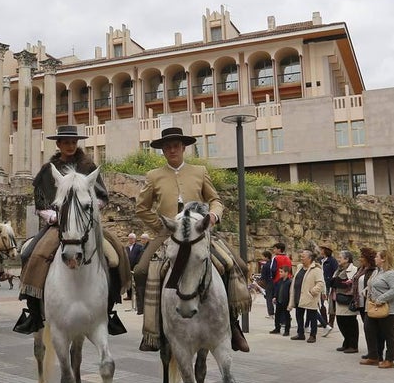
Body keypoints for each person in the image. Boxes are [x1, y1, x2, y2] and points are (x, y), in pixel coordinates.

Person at [133, 126, 249, 353]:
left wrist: (213, 215)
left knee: (237, 265)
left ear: (183, 148)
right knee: (142, 270)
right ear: (163, 151)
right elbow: (141, 208)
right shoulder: (153, 175)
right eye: (167, 147)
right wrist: (161, 227)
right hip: (169, 233)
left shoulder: (199, 171)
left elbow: (215, 199)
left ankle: (233, 324)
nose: (172, 150)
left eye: (176, 146)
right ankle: (153, 328)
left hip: (199, 232)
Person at [14, 124, 128, 336]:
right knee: (30, 254)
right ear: (58, 144)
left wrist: (90, 209)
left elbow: (102, 196)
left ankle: (110, 310)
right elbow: (39, 202)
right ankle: (33, 313)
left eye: (73, 142)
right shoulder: (48, 171)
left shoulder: (88, 166)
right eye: (65, 142)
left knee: (115, 255)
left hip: (86, 224)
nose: (70, 146)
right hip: (57, 224)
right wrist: (52, 215)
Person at [363, 249, 394, 368]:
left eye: (377, 257)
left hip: (387, 308)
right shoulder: (376, 272)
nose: (374, 258)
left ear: (383, 259)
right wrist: (366, 291)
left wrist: (381, 299)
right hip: (372, 306)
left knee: (388, 333)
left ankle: (389, 359)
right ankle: (374, 356)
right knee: (369, 330)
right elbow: (371, 284)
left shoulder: (391, 274)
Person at [288, 249, 324, 343]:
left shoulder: (316, 270)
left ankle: (313, 335)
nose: (301, 258)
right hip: (298, 296)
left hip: (309, 297)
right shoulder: (299, 267)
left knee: (312, 317)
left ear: (310, 258)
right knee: (299, 315)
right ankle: (300, 334)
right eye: (301, 256)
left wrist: (312, 292)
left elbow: (320, 284)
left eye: (303, 257)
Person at [330, 249, 360, 354]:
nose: (338, 259)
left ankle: (353, 345)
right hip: (337, 299)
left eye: (340, 257)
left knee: (350, 323)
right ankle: (346, 343)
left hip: (348, 300)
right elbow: (334, 282)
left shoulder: (354, 270)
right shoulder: (338, 269)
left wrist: (340, 283)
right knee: (341, 322)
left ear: (347, 259)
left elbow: (353, 284)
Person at [268, 242, 294, 336]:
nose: (273, 251)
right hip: (286, 281)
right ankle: (282, 326)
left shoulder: (276, 258)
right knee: (281, 311)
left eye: (274, 249)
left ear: (279, 249)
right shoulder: (287, 258)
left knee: (279, 312)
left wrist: (272, 278)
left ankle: (279, 327)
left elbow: (273, 270)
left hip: (277, 281)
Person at [317, 244, 338, 337]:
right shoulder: (320, 260)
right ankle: (324, 321)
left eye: (322, 249)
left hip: (329, 284)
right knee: (320, 303)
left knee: (330, 304)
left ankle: (331, 322)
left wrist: (332, 281)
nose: (320, 251)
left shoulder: (332, 261)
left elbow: (335, 272)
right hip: (321, 283)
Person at [125, 233, 143, 302]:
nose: (130, 240)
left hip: (135, 266)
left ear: (134, 239)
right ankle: (129, 295)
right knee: (128, 281)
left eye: (131, 238)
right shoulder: (126, 247)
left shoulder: (139, 247)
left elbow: (139, 256)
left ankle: (137, 295)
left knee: (136, 281)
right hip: (128, 267)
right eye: (129, 238)